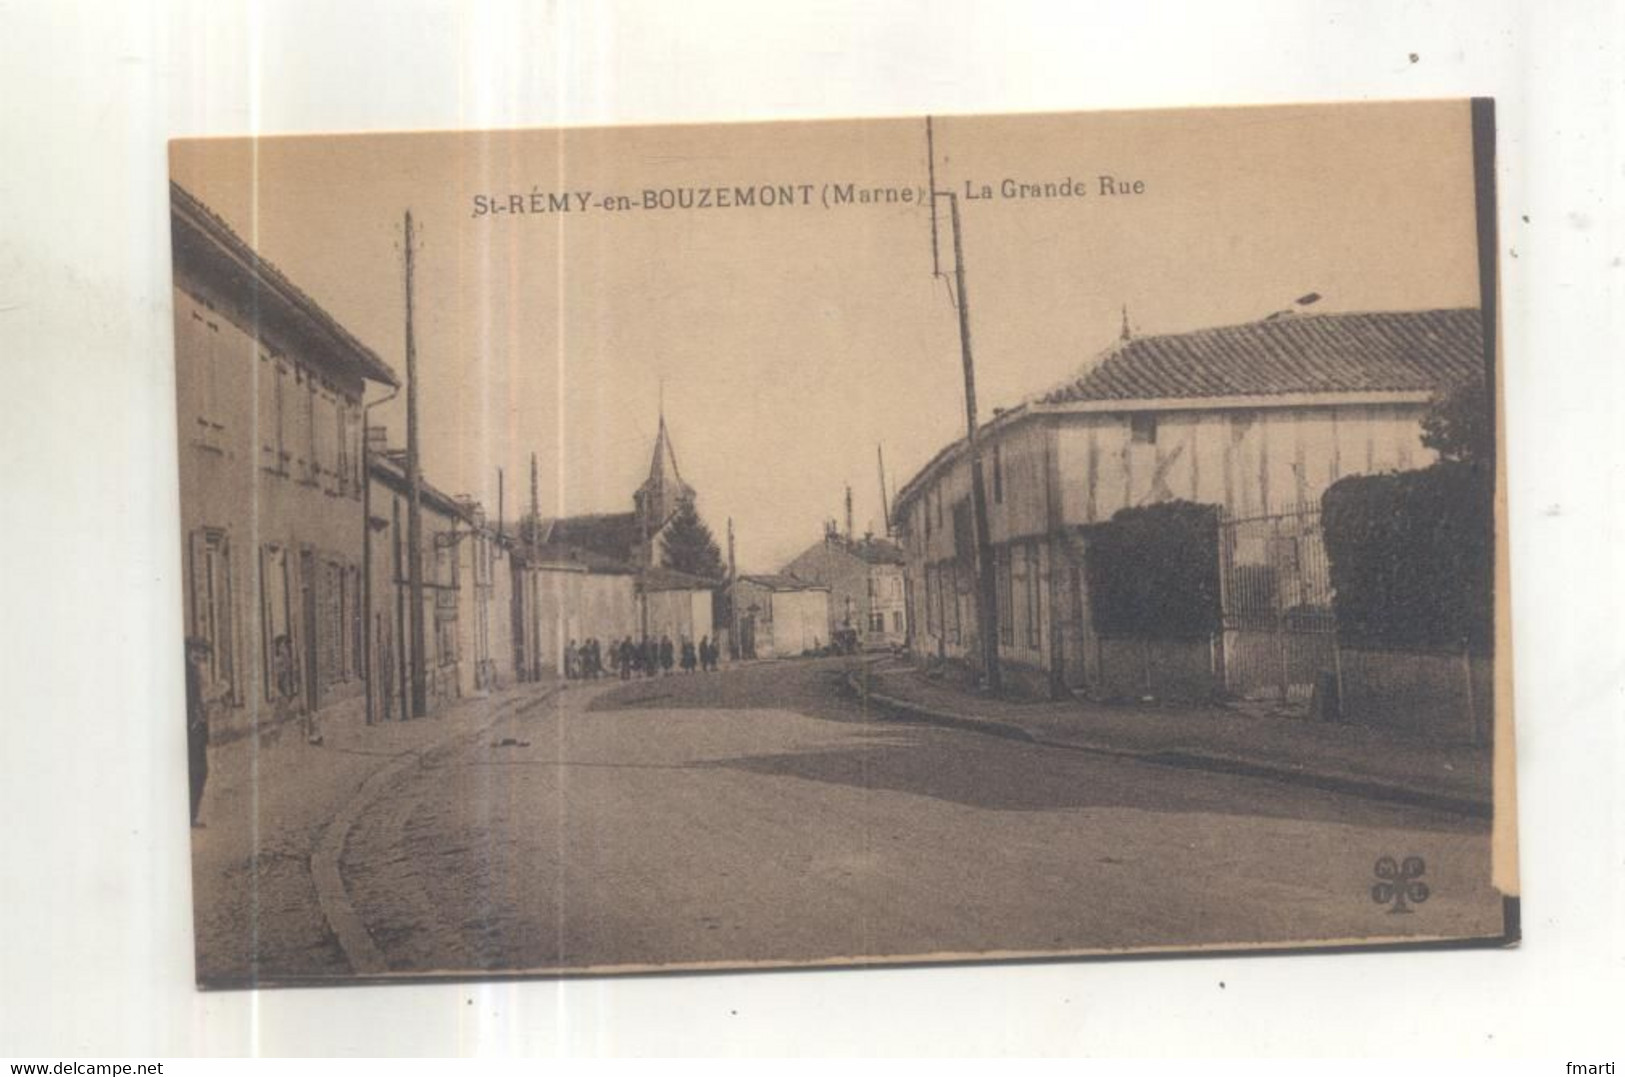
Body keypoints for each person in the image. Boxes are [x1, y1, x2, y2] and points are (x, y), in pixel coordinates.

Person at [184, 637, 211, 828]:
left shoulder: (196, 672)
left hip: (197, 730)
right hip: (190, 730)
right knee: (197, 771)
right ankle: (188, 816)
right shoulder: (184, 674)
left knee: (199, 772)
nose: (201, 656)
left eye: (203, 653)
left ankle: (191, 815)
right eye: (198, 652)